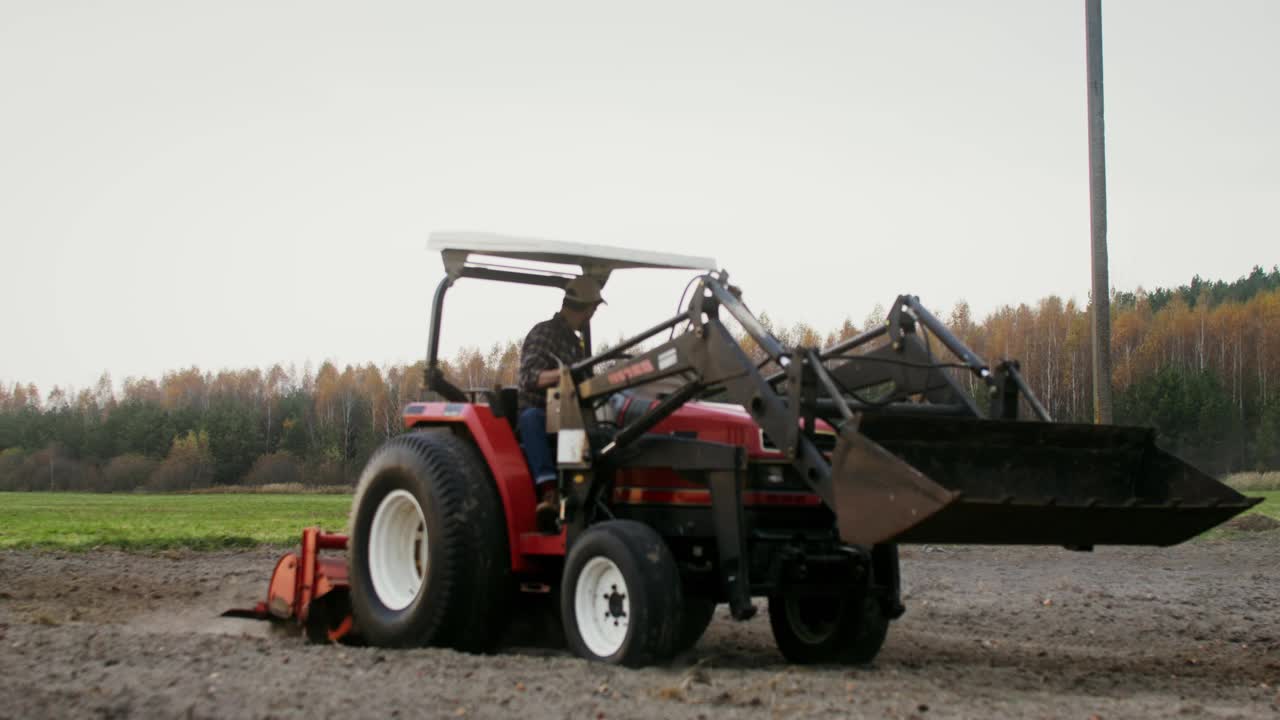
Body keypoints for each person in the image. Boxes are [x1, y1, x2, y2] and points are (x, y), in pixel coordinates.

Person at [517, 276, 605, 531]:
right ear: (588, 308)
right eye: (594, 309)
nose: (593, 315)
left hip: (571, 413)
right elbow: (529, 377)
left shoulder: (573, 342)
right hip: (542, 413)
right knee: (531, 418)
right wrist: (566, 374)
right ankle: (549, 493)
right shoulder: (545, 333)